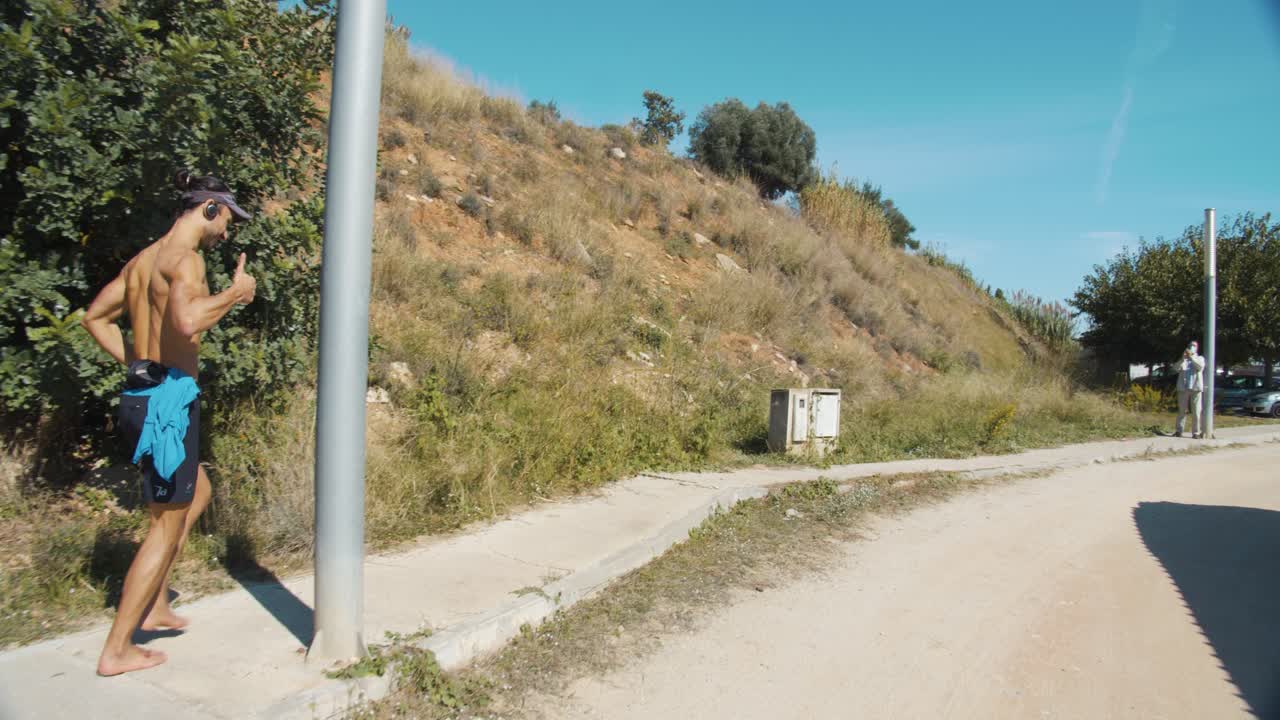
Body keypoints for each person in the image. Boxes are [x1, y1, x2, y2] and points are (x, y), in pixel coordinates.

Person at [81, 170, 256, 676]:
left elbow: (95, 317)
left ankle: (155, 603)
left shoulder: (143, 261)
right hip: (169, 404)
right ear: (208, 209)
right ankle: (117, 648)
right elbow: (187, 321)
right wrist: (235, 293)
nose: (228, 230)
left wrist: (139, 365)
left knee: (195, 493)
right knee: (164, 526)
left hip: (145, 395)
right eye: (227, 218)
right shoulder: (186, 260)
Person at [1174, 340, 1206, 439]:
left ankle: (1196, 432)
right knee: (1182, 411)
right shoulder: (1184, 360)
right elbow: (1175, 368)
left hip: (1195, 388)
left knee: (1196, 411)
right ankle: (1179, 431)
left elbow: (1200, 367)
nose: (1192, 347)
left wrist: (1192, 356)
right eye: (1190, 345)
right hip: (1183, 388)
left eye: (1194, 346)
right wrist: (1183, 359)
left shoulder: (1200, 358)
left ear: (1197, 348)